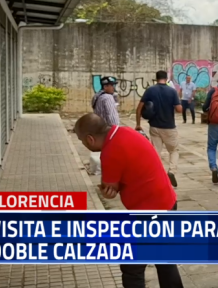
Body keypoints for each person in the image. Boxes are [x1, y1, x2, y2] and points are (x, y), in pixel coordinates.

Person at [74, 113, 183, 288]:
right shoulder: (124, 131)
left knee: (132, 266)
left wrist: (107, 190)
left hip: (148, 212)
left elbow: (109, 188)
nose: (83, 144)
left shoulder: (109, 153)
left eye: (81, 140)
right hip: (167, 201)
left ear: (90, 139)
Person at [135, 71, 182, 188]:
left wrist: (138, 124)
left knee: (156, 153)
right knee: (174, 150)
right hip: (169, 127)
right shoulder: (172, 91)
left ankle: (157, 177)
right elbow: (179, 109)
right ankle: (171, 171)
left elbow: (139, 108)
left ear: (156, 79)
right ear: (166, 79)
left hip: (154, 127)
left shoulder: (150, 90)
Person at [90, 76, 120, 175]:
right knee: (112, 152)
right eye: (111, 86)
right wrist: (117, 131)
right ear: (105, 86)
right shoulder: (107, 97)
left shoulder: (97, 96)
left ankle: (103, 170)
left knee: (104, 151)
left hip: (99, 128)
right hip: (109, 130)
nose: (113, 88)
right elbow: (112, 117)